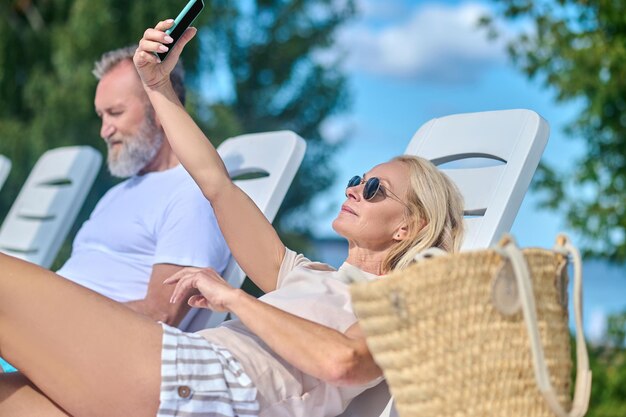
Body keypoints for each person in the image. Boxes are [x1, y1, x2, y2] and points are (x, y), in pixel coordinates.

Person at [0, 20, 464, 417]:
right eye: (358, 178)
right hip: (180, 380)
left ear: (410, 227)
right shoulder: (303, 274)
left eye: (374, 189)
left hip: (207, 387)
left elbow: (344, 362)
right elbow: (215, 184)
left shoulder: (401, 301)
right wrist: (157, 86)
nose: (352, 190)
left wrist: (235, 299)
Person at [55, 46, 230, 326]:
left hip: (71, 342)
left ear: (160, 110)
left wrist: (48, 318)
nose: (104, 130)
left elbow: (160, 315)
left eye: (115, 112)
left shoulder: (192, 194)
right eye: (101, 116)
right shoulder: (116, 195)